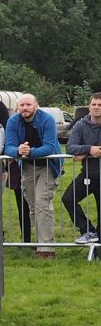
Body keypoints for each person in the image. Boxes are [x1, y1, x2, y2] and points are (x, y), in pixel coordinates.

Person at [3, 94, 61, 258]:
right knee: (33, 206)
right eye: (21, 105)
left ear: (36, 106)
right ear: (17, 107)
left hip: (48, 166)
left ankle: (47, 248)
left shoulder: (47, 120)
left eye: (28, 104)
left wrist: (30, 152)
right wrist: (18, 151)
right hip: (27, 167)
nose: (25, 108)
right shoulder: (13, 121)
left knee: (42, 202)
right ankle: (40, 242)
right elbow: (9, 147)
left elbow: (50, 147)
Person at [62, 92, 101, 245]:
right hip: (87, 174)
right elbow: (70, 148)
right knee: (68, 198)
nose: (97, 107)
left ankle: (97, 251)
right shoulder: (80, 125)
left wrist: (84, 152)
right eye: (94, 104)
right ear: (89, 107)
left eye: (100, 105)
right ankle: (87, 230)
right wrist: (89, 149)